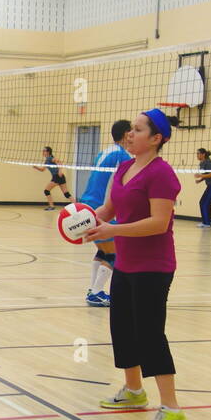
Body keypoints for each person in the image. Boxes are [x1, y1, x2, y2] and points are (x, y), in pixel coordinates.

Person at [82, 109, 186, 420]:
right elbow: (109, 209)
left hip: (153, 266)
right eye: (131, 129)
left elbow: (158, 223)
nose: (130, 134)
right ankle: (134, 391)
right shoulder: (124, 166)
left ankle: (171, 409)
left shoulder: (162, 174)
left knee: (150, 335)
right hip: (125, 263)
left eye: (138, 130)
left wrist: (112, 231)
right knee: (122, 328)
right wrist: (81, 221)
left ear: (156, 139)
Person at [79, 120, 133, 307]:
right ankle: (96, 292)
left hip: (88, 205)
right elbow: (125, 186)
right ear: (126, 134)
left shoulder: (104, 152)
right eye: (133, 131)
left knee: (103, 251)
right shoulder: (123, 156)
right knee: (115, 253)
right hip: (103, 208)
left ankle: (93, 289)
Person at [194, 148, 211, 228]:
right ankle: (210, 220)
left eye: (199, 153)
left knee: (204, 203)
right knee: (204, 203)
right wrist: (200, 180)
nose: (197, 155)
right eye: (197, 153)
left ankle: (206, 223)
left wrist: (201, 176)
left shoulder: (208, 162)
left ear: (203, 154)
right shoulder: (202, 163)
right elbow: (207, 174)